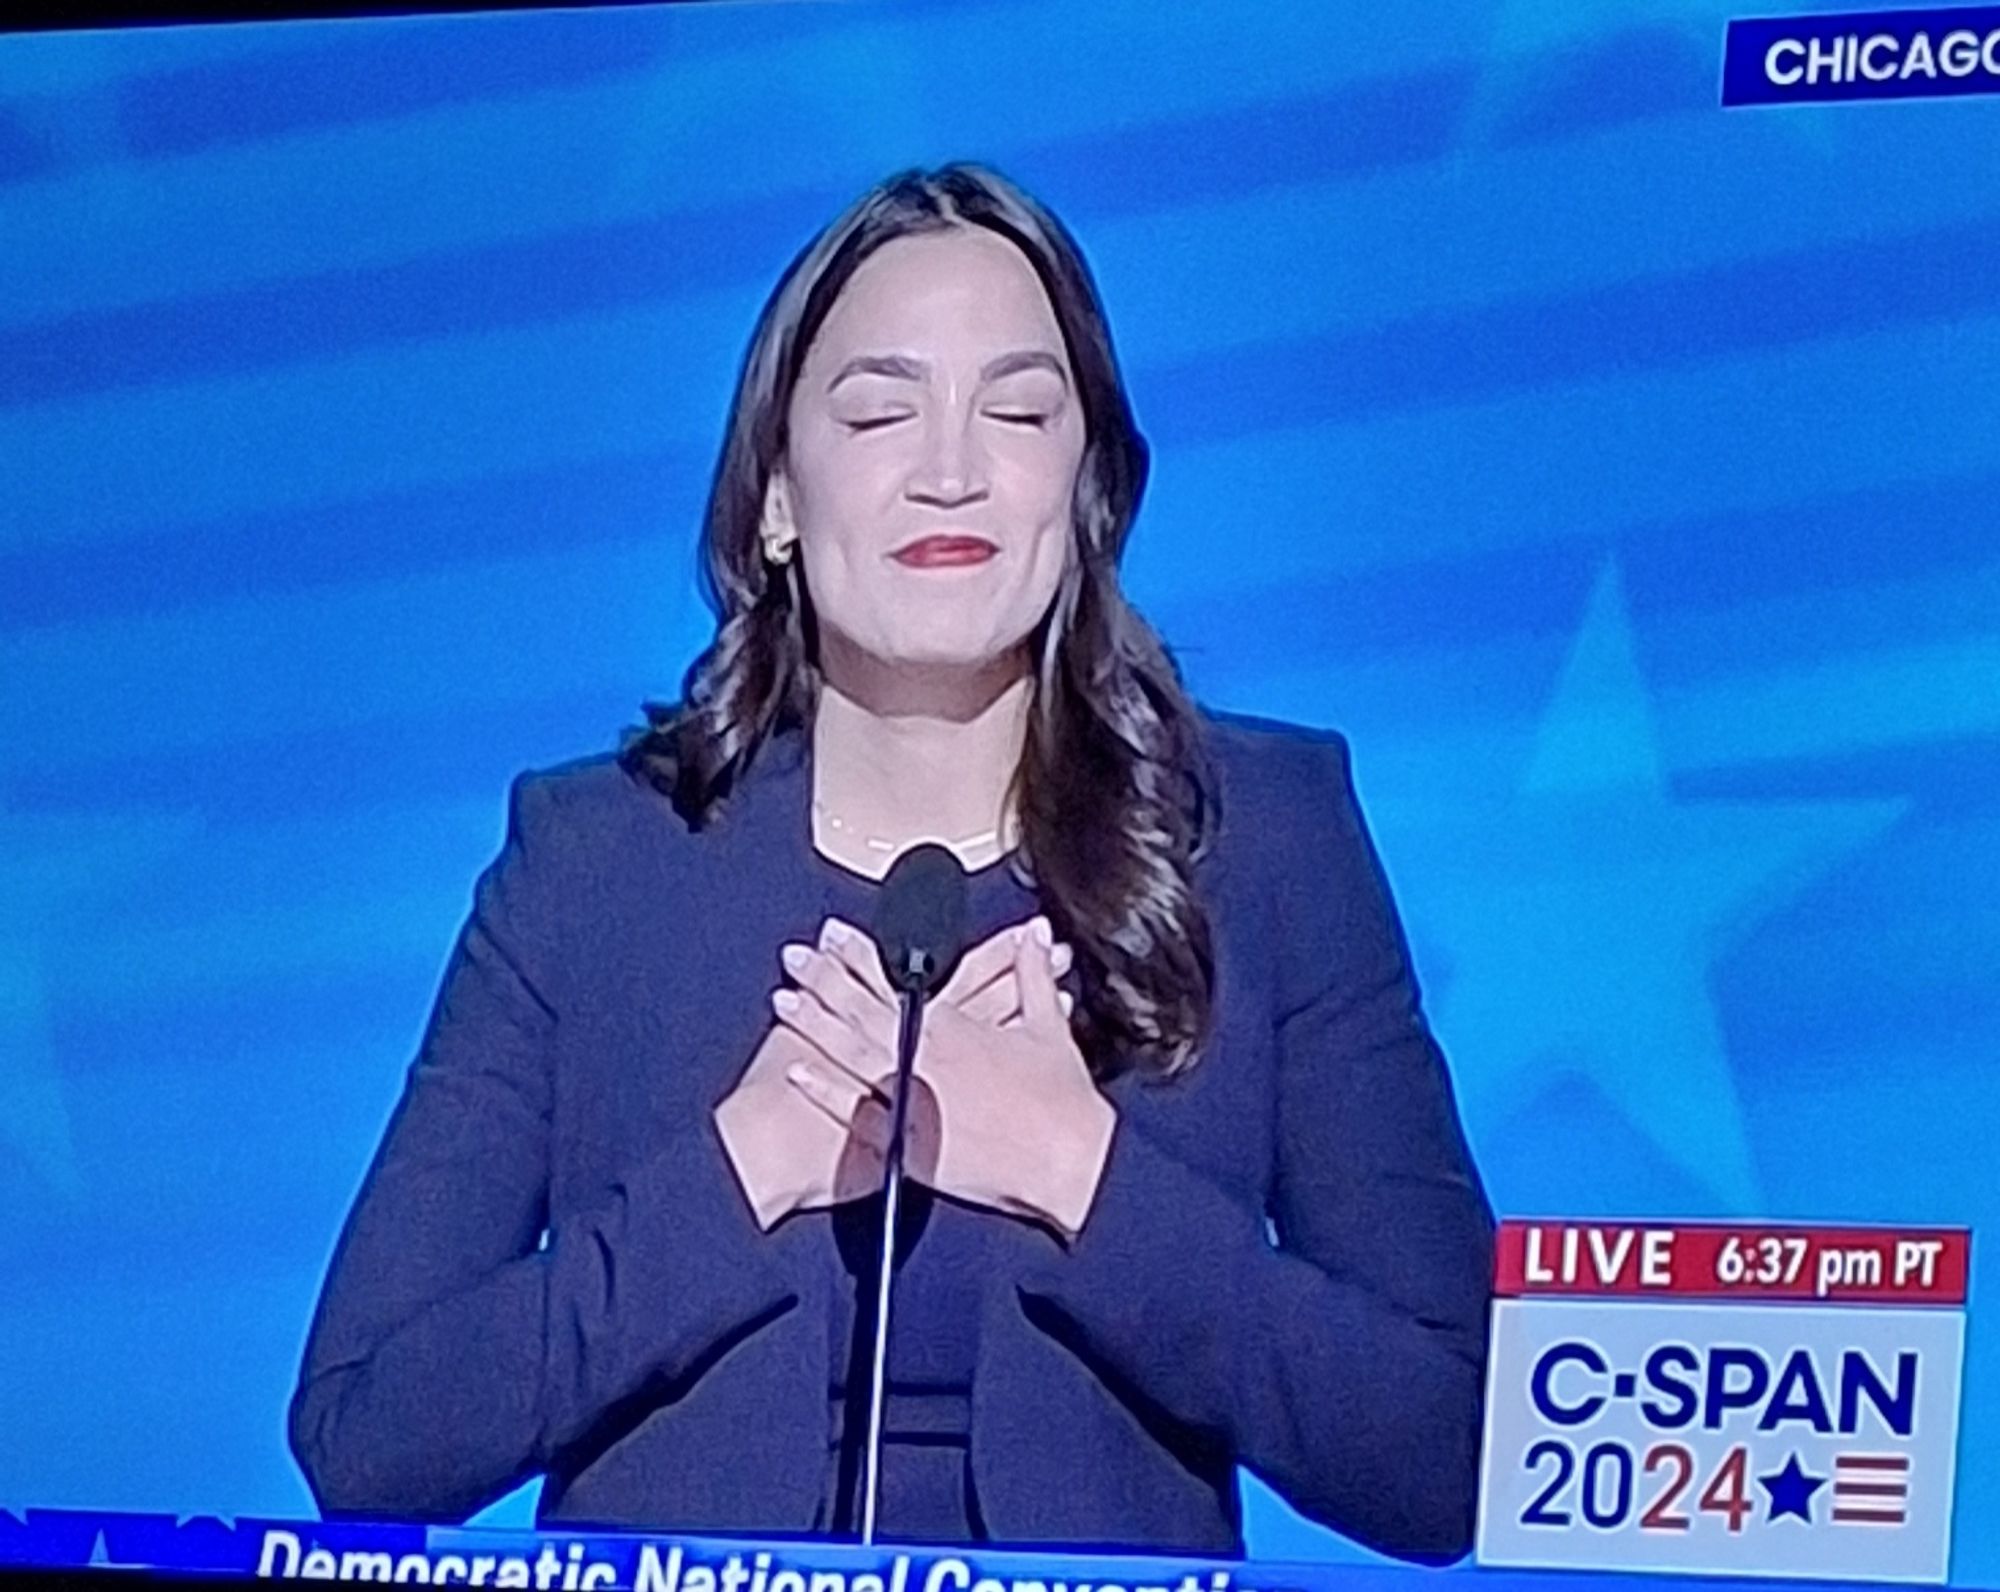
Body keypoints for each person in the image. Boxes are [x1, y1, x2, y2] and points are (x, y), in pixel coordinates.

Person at [288, 162, 1494, 1562]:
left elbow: (1451, 1451)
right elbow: (366, 1437)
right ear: (778, 503)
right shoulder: (594, 864)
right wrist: (746, 1170)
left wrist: (1076, 1168)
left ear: (1088, 490)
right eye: (879, 409)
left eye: (1021, 410)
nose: (951, 469)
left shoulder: (1264, 839)